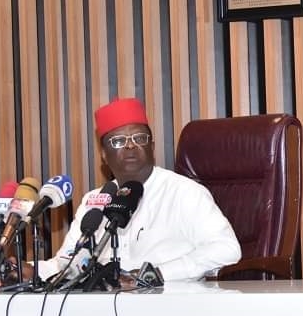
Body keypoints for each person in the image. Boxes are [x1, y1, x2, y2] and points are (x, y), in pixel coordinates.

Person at [36, 97, 241, 283]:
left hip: (172, 306)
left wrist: (156, 274)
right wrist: (31, 270)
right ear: (104, 155)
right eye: (118, 141)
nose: (130, 146)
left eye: (139, 138)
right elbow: (66, 262)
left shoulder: (184, 192)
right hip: (104, 309)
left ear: (151, 146)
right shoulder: (95, 199)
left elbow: (227, 249)